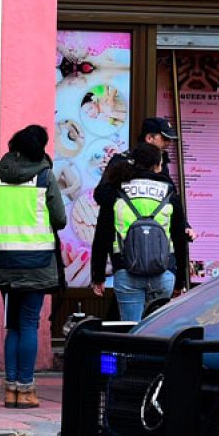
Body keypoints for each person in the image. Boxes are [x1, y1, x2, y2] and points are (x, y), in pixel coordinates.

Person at [0, 124, 67, 409]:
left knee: (12, 326)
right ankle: (26, 388)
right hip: (36, 262)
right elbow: (59, 219)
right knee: (29, 324)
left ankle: (10, 390)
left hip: (3, 262)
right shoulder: (44, 177)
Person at [89, 142, 189, 322]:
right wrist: (180, 280)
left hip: (126, 271)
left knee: (132, 331)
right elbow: (179, 239)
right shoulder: (169, 193)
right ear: (157, 166)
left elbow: (102, 236)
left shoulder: (116, 191)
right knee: (156, 333)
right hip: (163, 271)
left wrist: (98, 275)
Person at [95, 117, 196, 280]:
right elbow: (101, 195)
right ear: (149, 138)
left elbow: (171, 199)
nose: (169, 143)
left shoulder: (162, 163)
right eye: (164, 138)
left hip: (157, 251)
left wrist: (184, 226)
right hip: (126, 247)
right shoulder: (122, 160)